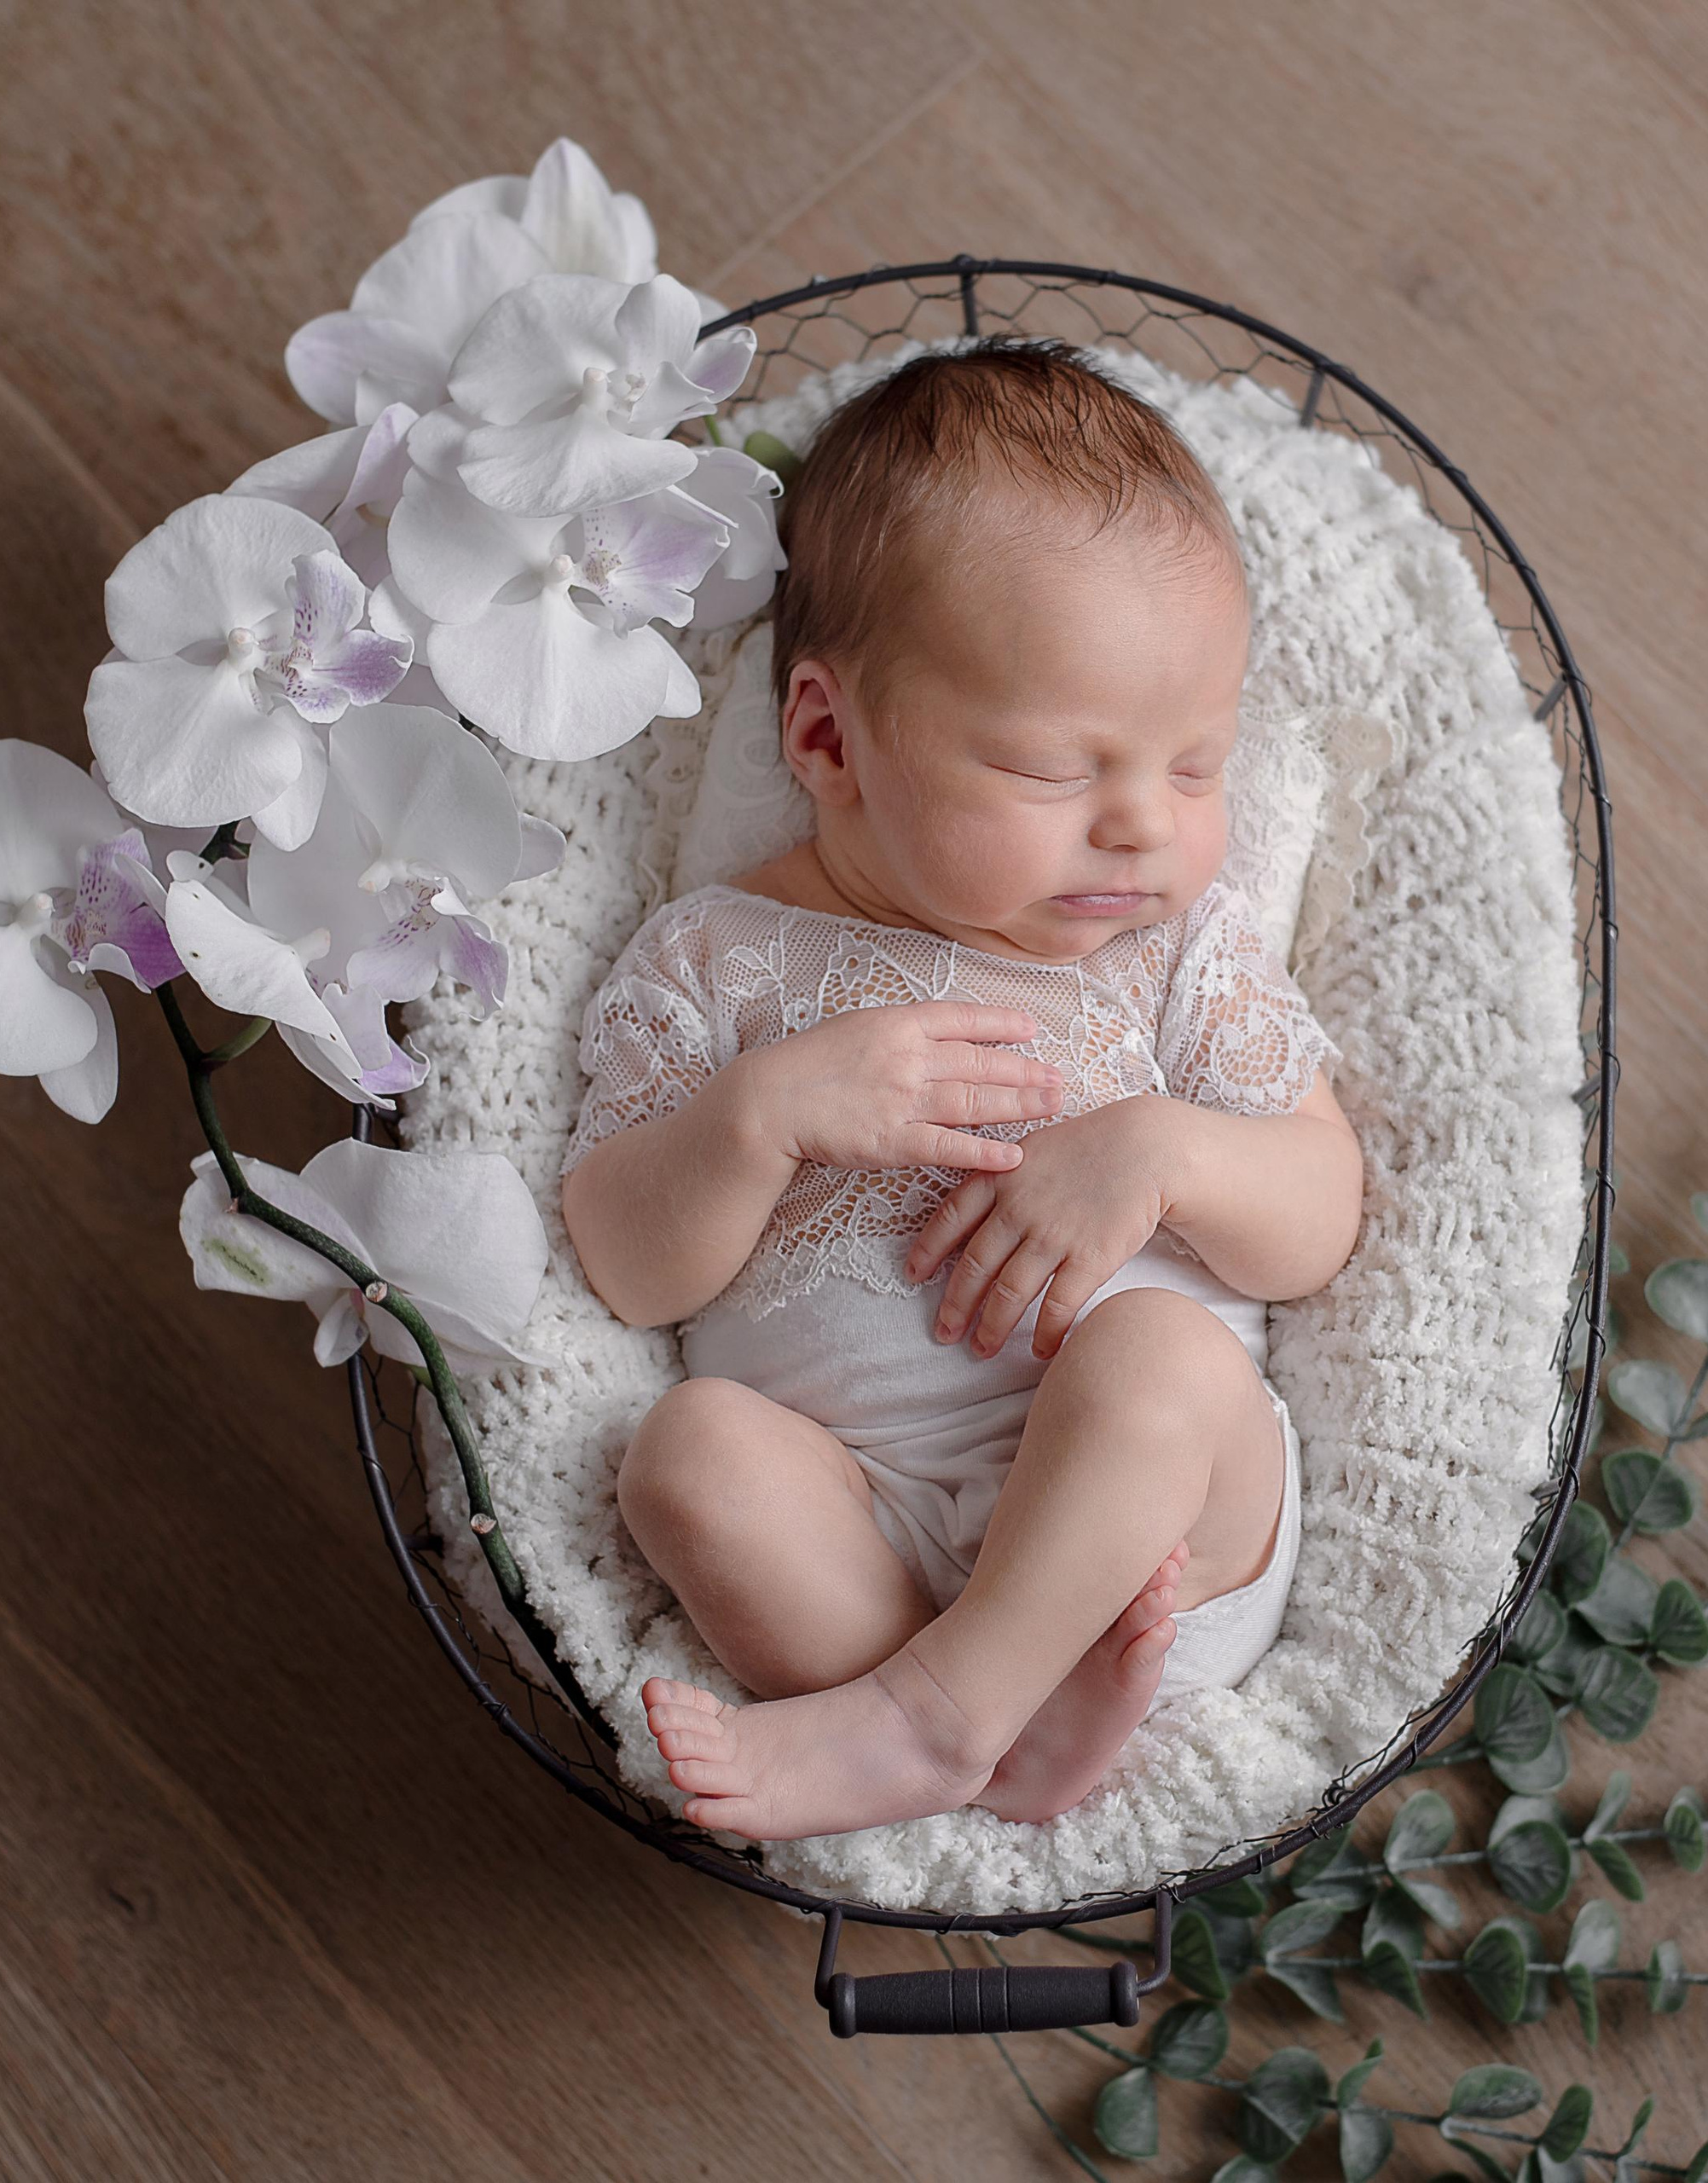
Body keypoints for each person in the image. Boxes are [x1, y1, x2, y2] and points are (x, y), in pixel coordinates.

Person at [559, 335, 1364, 1842]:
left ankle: (939, 1716)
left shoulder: (1172, 958)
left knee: (1162, 1359)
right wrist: (756, 1120)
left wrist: (1163, 1154)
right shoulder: (717, 958)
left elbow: (1320, 1215)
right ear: (827, 738)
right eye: (1060, 771)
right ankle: (986, 1729)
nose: (1143, 828)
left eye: (1196, 768)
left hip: (1154, 1545)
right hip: (865, 1536)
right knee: (685, 1458)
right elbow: (622, 1260)